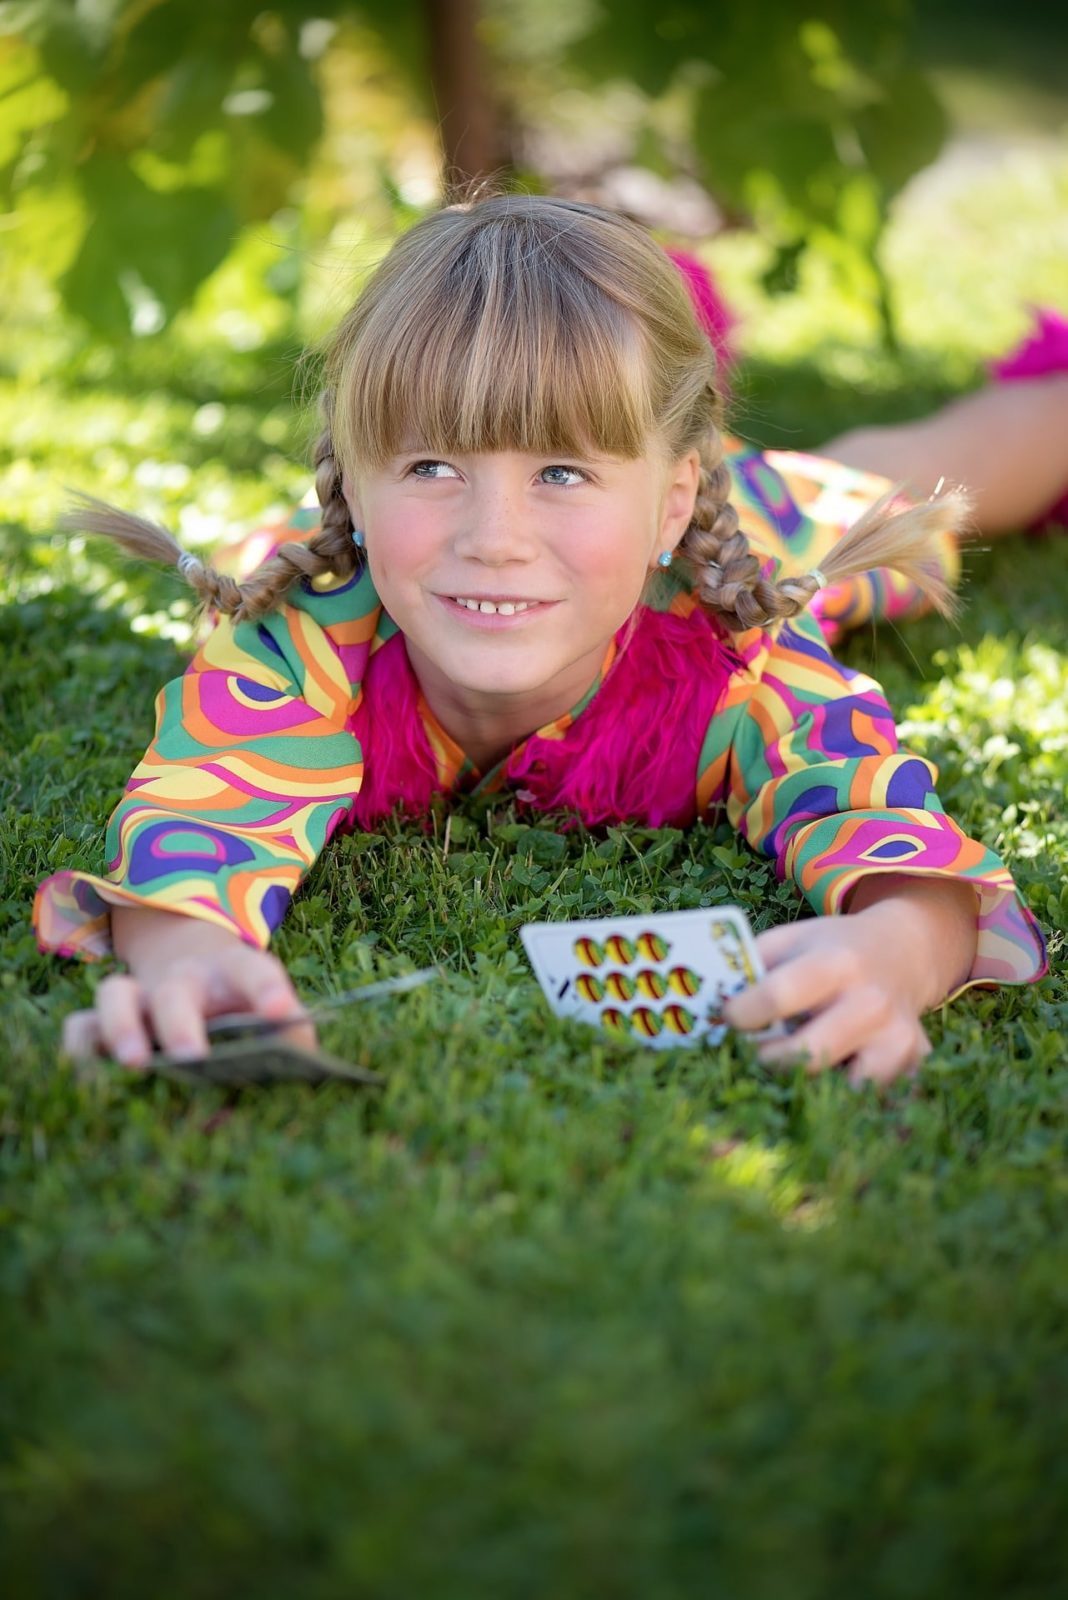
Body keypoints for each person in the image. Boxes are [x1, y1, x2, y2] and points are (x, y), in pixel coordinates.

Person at [37, 193, 1048, 1089]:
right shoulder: (300, 640)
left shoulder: (734, 654)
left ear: (669, 503)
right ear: (351, 481)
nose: (496, 540)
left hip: (748, 531)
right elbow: (202, 814)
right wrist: (183, 958)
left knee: (905, 489)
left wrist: (896, 949)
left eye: (561, 471)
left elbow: (879, 817)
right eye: (433, 463)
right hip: (485, 542)